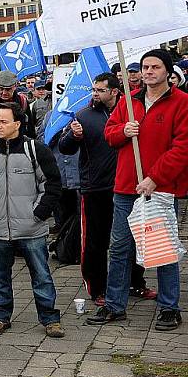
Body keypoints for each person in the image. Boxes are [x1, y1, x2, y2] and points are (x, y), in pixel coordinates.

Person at [88, 49, 188, 331]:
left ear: (168, 72)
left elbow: (182, 148)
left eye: (155, 67)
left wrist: (155, 178)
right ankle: (115, 305)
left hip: (161, 189)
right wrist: (123, 132)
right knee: (120, 247)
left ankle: (169, 307)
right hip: (125, 188)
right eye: (145, 67)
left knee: (163, 249)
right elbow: (109, 133)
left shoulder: (182, 103)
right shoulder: (129, 102)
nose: (148, 72)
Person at [0, 102, 65, 338]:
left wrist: (39, 213)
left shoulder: (36, 149)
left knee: (41, 275)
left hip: (31, 228)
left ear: (17, 124)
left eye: (3, 121)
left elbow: (51, 184)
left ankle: (50, 318)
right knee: (0, 276)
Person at [59, 73, 153, 305]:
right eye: (93, 90)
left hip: (128, 185)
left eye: (100, 90)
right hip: (95, 187)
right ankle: (97, 287)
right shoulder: (83, 115)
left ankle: (134, 282)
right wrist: (73, 135)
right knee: (95, 241)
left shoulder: (131, 110)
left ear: (114, 91)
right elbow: (65, 148)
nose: (95, 94)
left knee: (133, 238)